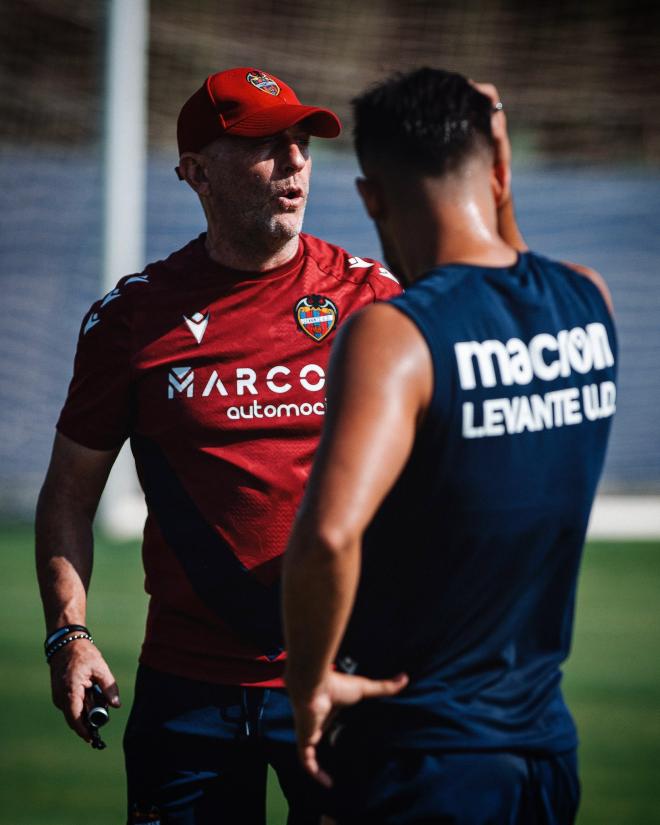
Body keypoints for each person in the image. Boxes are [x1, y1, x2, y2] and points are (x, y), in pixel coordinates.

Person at [35, 67, 404, 825]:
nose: (295, 162)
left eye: (301, 143)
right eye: (266, 146)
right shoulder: (132, 319)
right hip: (187, 692)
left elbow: (443, 484)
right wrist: (68, 635)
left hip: (340, 680)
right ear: (196, 172)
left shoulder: (375, 299)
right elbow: (71, 490)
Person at [283, 68, 617, 825]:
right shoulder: (588, 303)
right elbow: (514, 265)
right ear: (498, 172)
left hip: (421, 759)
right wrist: (491, 134)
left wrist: (310, 683)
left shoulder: (397, 335)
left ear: (371, 197)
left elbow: (329, 535)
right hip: (544, 756)